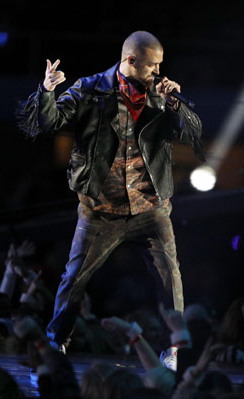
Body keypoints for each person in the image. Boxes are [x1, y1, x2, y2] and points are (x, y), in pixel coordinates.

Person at [16, 30, 204, 352]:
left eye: (159, 65)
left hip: (150, 207)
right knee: (75, 277)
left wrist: (176, 106)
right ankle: (56, 341)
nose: (157, 72)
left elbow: (192, 132)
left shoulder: (161, 96)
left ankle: (172, 348)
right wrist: (47, 90)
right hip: (101, 209)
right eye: (151, 66)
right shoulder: (90, 90)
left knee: (170, 276)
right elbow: (50, 122)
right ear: (130, 61)